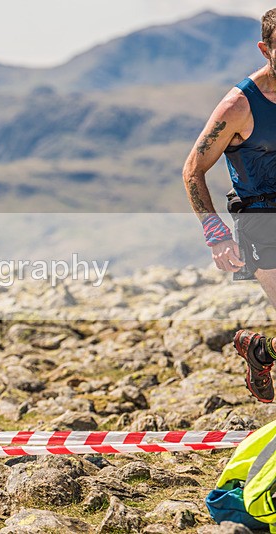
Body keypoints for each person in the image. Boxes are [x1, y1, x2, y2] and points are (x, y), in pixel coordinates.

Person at [183, 8, 276, 403]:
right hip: (261, 222)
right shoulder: (238, 106)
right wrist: (215, 233)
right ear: (265, 49)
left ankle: (261, 352)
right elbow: (192, 169)